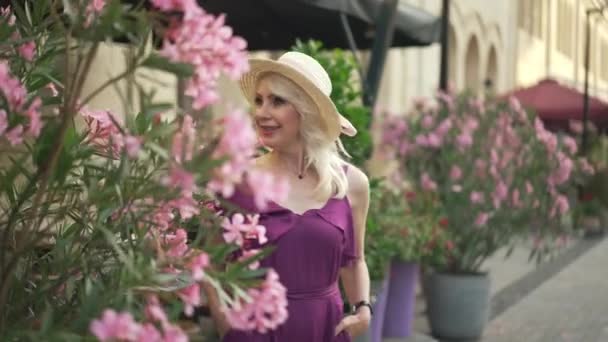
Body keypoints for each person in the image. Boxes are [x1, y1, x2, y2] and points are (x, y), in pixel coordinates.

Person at [204, 51, 372, 341]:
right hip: (254, 330)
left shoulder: (351, 184)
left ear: (306, 111)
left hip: (324, 329)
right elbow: (210, 262)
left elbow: (353, 261)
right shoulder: (235, 179)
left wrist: (363, 309)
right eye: (259, 100)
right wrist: (225, 323)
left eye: (277, 101)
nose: (261, 113)